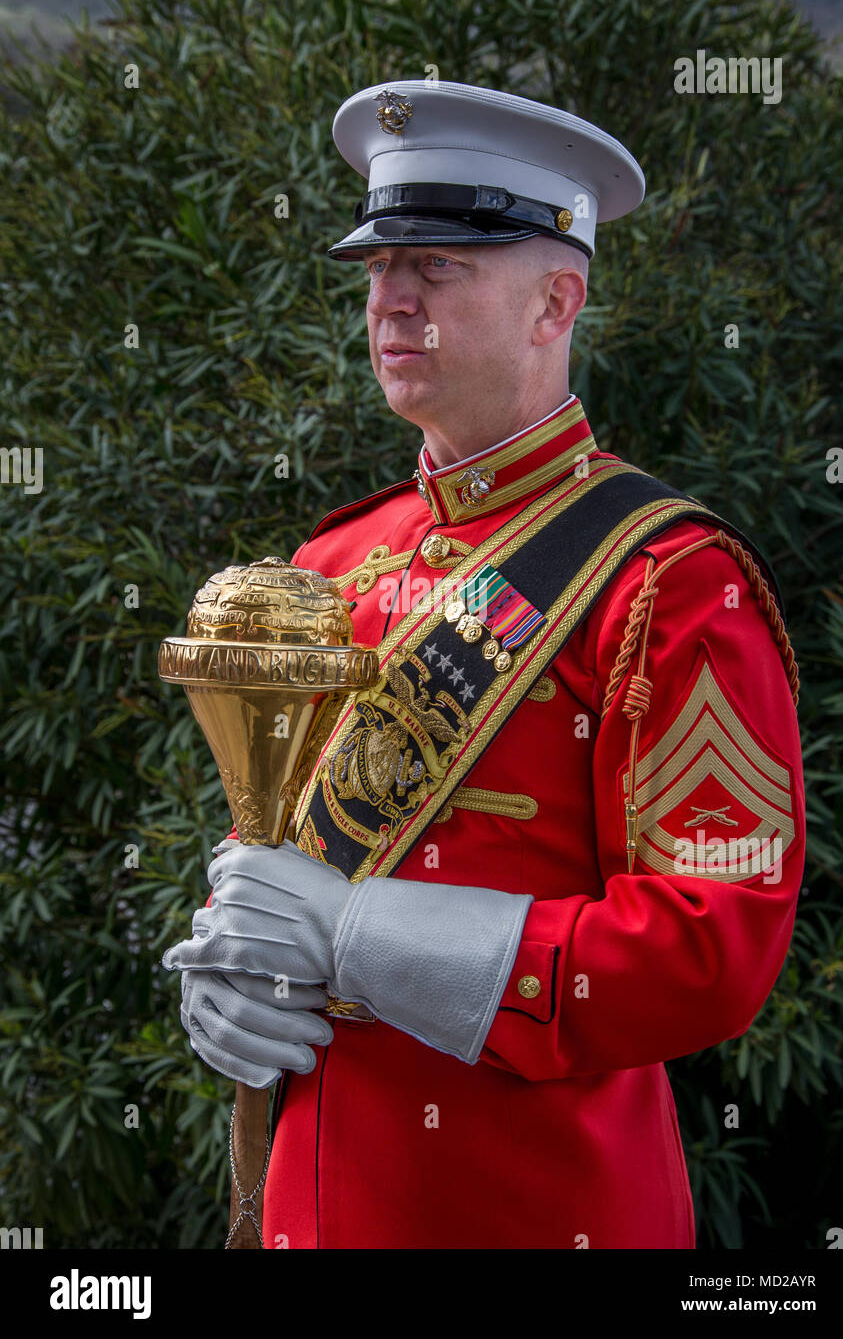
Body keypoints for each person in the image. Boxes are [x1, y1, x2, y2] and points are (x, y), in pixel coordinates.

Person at [163, 80, 804, 1249]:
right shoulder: (329, 563)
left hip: (537, 1210)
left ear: (555, 299)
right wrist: (231, 960)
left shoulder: (666, 578)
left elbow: (710, 947)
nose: (389, 300)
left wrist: (355, 936)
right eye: (376, 266)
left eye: (438, 267)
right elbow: (292, 856)